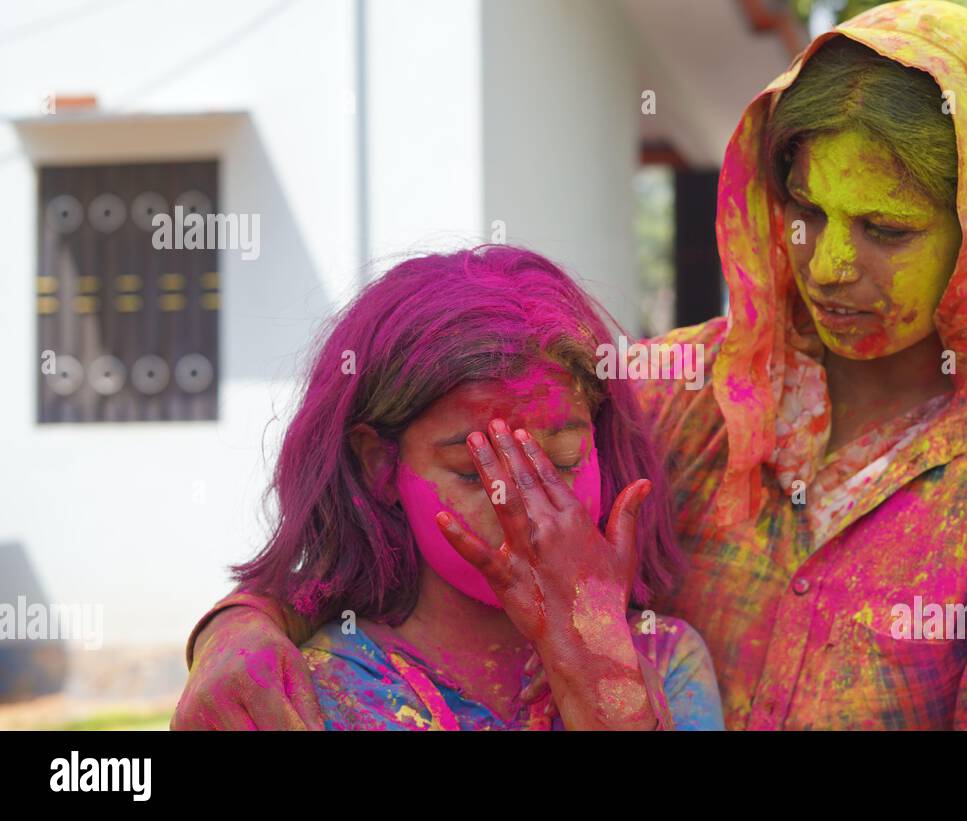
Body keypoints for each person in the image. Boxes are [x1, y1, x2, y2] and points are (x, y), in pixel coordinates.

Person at [172, 0, 967, 731]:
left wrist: (597, 656)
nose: (824, 263)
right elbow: (405, 499)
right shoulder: (667, 392)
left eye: (884, 228)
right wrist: (245, 623)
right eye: (806, 211)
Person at [178, 246, 724, 730]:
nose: (526, 510)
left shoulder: (665, 659)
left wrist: (601, 679)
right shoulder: (310, 689)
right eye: (472, 472)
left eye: (562, 463)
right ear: (379, 466)